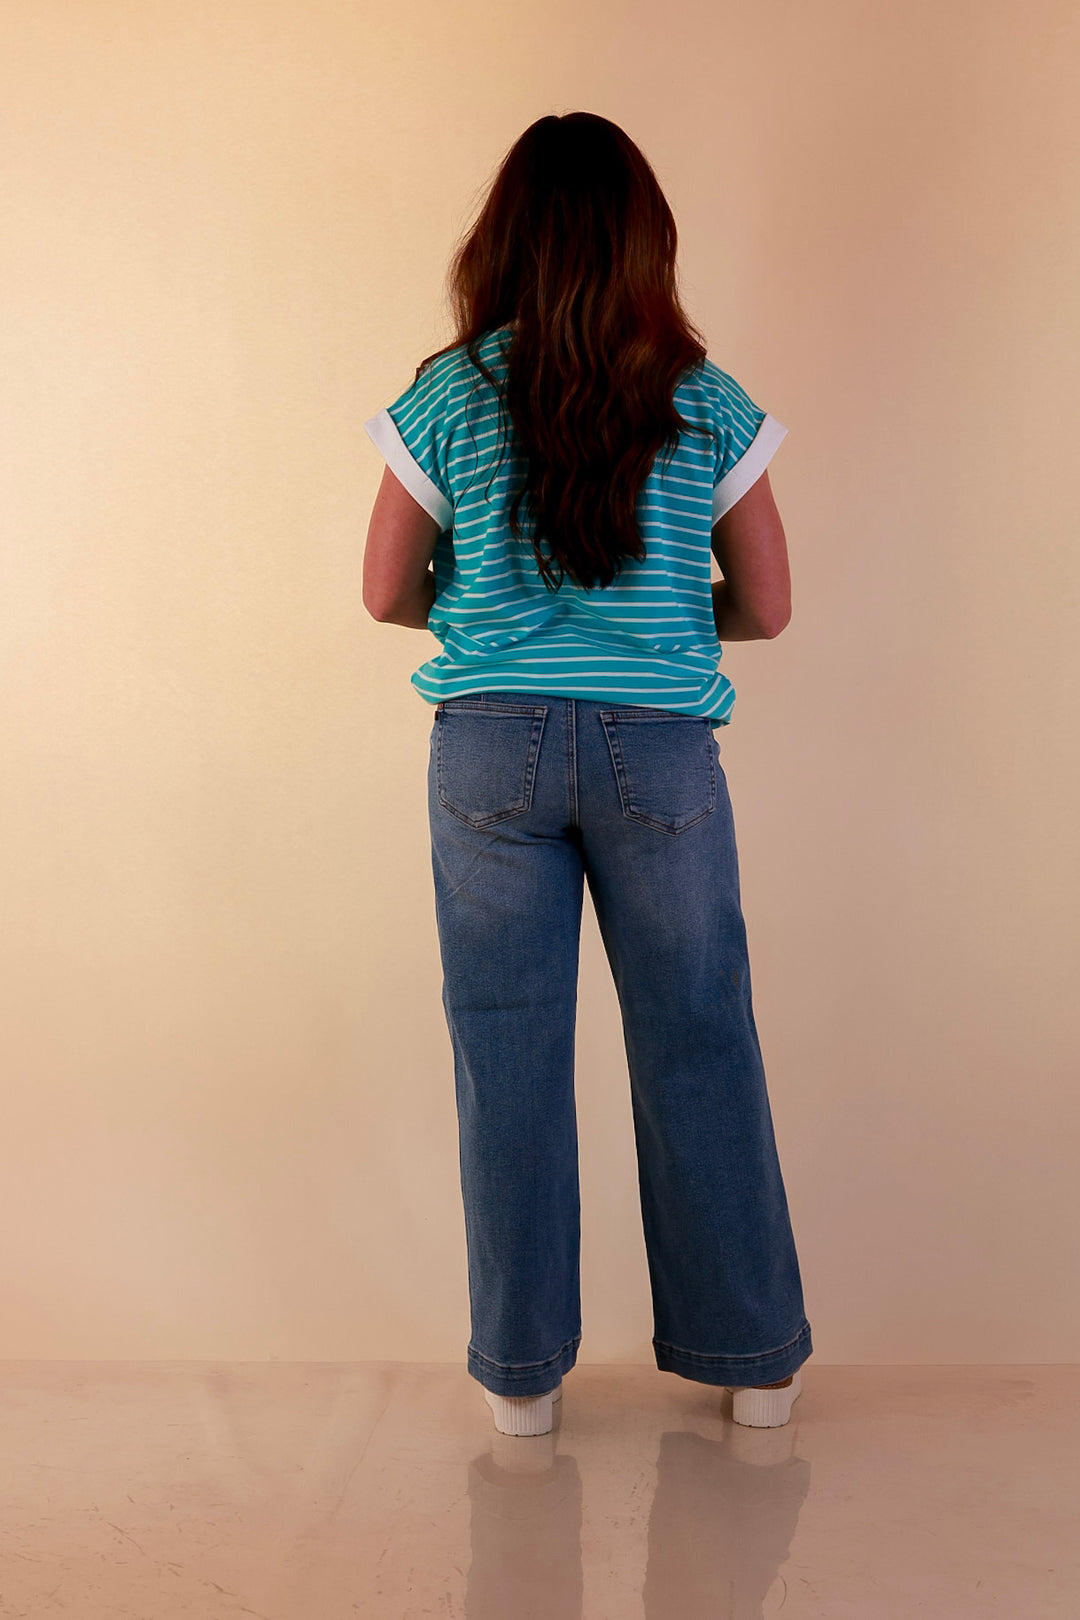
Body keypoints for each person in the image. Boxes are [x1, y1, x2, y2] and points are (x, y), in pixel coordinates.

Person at [362, 112, 812, 1436]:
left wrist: (484, 607)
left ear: (501, 239)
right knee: (700, 1040)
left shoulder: (447, 395)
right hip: (660, 754)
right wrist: (671, 622)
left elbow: (385, 590)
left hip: (490, 748)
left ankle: (522, 1386)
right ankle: (756, 1370)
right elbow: (773, 607)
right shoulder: (702, 395)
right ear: (643, 244)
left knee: (505, 1049)